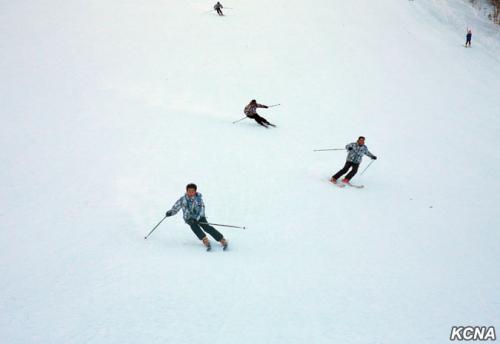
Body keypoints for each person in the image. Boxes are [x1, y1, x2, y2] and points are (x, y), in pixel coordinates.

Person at [165, 183, 227, 250]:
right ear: (186, 191)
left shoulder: (199, 199)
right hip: (189, 218)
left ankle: (221, 239)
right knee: (194, 226)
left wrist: (197, 218)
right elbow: (176, 207)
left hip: (199, 217)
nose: (190, 193)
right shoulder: (183, 199)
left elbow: (202, 209)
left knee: (206, 227)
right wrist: (170, 212)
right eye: (189, 191)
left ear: (195, 191)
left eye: (192, 191)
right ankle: (205, 239)